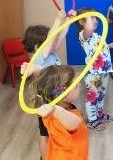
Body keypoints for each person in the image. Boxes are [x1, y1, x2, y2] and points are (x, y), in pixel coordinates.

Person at [21, 9, 76, 160]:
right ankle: (45, 157)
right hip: (45, 102)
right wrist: (58, 19)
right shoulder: (40, 57)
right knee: (44, 133)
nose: (54, 43)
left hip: (57, 100)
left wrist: (69, 21)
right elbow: (52, 38)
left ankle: (60, 149)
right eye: (48, 41)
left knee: (57, 128)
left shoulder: (51, 53)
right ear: (38, 47)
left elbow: (59, 37)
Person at [29, 65, 88, 160]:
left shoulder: (48, 111)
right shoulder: (61, 112)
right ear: (63, 95)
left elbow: (49, 83)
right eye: (76, 85)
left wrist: (37, 70)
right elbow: (74, 124)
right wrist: (56, 110)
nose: (80, 86)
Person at [76, 7, 113, 131]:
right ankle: (92, 120)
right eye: (91, 17)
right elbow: (88, 28)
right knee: (93, 96)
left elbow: (98, 47)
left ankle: (99, 114)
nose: (95, 19)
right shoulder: (83, 35)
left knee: (101, 95)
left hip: (104, 71)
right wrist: (88, 19)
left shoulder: (96, 35)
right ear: (82, 22)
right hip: (93, 73)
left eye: (95, 17)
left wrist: (109, 45)